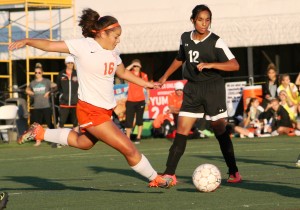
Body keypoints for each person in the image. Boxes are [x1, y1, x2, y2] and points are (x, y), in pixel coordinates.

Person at [9, 8, 172, 188]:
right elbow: (49, 44)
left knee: (83, 143)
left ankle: (40, 132)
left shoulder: (113, 53)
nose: (118, 40)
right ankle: (155, 178)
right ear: (102, 33)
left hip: (105, 111)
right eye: (115, 36)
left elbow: (123, 72)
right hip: (91, 112)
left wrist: (146, 84)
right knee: (129, 149)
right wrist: (27, 41)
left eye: (119, 37)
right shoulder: (84, 46)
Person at [150, 4, 242, 186]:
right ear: (192, 20)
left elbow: (234, 65)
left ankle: (233, 172)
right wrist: (165, 76)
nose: (204, 24)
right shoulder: (185, 38)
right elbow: (180, 58)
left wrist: (211, 64)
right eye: (200, 20)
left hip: (212, 88)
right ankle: (169, 175)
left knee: (219, 129)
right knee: (181, 130)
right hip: (192, 89)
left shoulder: (216, 41)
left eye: (207, 20)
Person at [26, 63, 54, 146]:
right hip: (37, 106)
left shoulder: (46, 81)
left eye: (39, 72)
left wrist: (49, 92)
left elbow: (55, 86)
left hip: (46, 106)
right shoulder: (33, 83)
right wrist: (29, 92)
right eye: (36, 73)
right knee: (37, 124)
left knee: (49, 123)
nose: (37, 74)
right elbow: (27, 89)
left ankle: (54, 139)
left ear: (42, 73)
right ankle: (38, 140)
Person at [124, 59, 149, 144]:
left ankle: (138, 137)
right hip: (130, 100)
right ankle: (128, 138)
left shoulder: (143, 75)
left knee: (139, 119)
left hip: (140, 100)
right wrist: (132, 64)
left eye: (137, 66)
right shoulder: (130, 74)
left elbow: (147, 86)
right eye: (135, 66)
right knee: (129, 120)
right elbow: (124, 71)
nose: (136, 67)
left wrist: (148, 98)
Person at [56, 55, 78, 128]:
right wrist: (62, 94)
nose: (70, 64)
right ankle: (59, 138)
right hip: (64, 103)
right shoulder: (61, 74)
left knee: (76, 122)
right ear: (65, 63)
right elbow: (58, 86)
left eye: (72, 63)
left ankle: (76, 137)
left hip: (75, 102)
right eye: (68, 63)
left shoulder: (77, 74)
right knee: (61, 121)